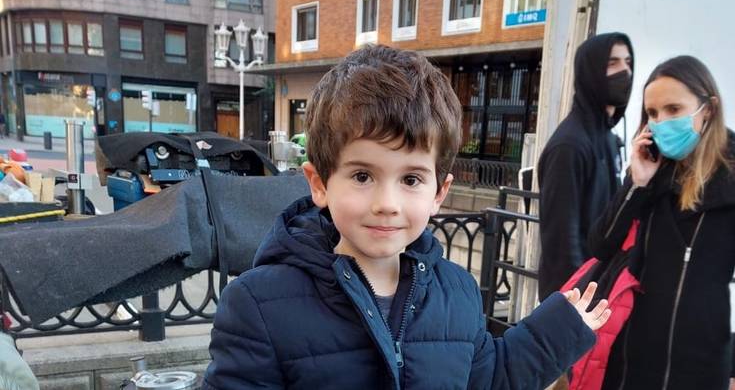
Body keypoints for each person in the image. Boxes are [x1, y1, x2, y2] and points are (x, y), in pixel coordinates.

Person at [202, 45, 611, 389]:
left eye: (411, 179)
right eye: (363, 176)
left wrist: (555, 332)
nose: (388, 203)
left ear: (439, 193)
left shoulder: (458, 291)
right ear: (320, 183)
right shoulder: (257, 305)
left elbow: (487, 379)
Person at [588, 55, 735, 389]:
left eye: (673, 109)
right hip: (631, 359)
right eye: (652, 113)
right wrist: (636, 184)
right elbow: (601, 246)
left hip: (702, 363)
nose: (661, 122)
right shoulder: (650, 172)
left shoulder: (730, 181)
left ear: (708, 109)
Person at [537, 32, 634, 300]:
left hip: (600, 291)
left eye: (628, 62)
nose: (625, 71)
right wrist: (576, 303)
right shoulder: (569, 145)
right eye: (612, 63)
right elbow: (561, 241)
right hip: (575, 300)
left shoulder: (608, 138)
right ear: (591, 71)